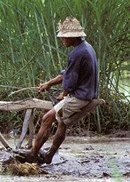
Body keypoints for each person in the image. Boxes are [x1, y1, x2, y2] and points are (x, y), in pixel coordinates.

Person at [19, 16, 99, 164]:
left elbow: (70, 81)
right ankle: (49, 156)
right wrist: (48, 84)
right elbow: (67, 73)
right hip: (87, 93)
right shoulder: (86, 47)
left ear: (73, 37)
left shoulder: (77, 53)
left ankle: (33, 154)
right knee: (61, 122)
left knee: (46, 118)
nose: (62, 40)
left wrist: (64, 94)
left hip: (79, 97)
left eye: (64, 37)